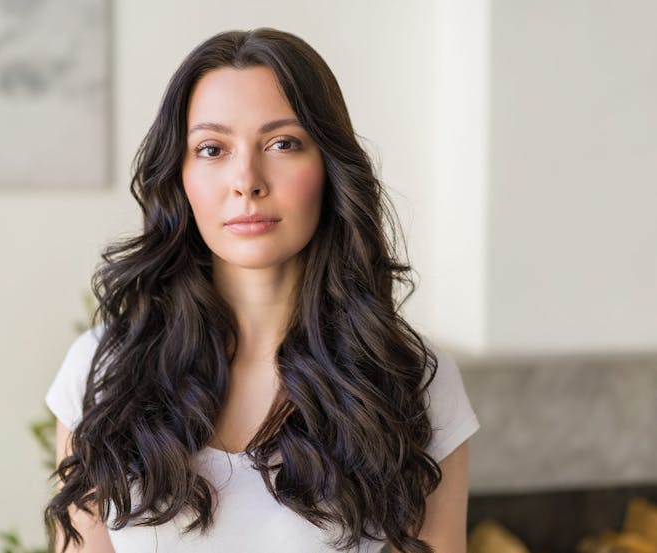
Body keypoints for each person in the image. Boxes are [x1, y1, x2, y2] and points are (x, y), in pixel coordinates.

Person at [44, 28, 479, 553]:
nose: (246, 180)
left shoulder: (411, 379)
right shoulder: (101, 371)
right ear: (179, 176)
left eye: (283, 143)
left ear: (329, 167)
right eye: (212, 149)